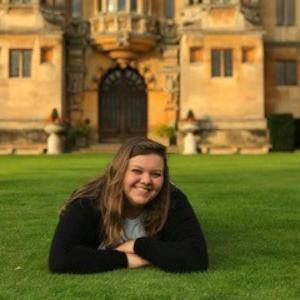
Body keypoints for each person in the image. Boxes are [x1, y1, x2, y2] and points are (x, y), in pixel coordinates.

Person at [48, 137, 208, 273]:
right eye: (137, 171)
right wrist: (124, 259)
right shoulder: (88, 202)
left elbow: (196, 256)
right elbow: (61, 258)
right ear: (120, 171)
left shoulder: (173, 199)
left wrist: (136, 245)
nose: (146, 180)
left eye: (156, 174)